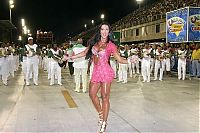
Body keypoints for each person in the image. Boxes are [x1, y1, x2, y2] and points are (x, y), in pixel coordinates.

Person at [63, 22, 132, 133]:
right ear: (99, 31)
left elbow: (119, 59)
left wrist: (129, 60)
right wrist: (70, 57)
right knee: (91, 94)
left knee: (105, 97)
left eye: (106, 30)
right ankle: (100, 112)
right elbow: (84, 53)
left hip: (105, 72)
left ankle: (104, 122)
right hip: (96, 72)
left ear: (109, 32)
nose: (104, 32)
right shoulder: (94, 43)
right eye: (102, 29)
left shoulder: (111, 45)